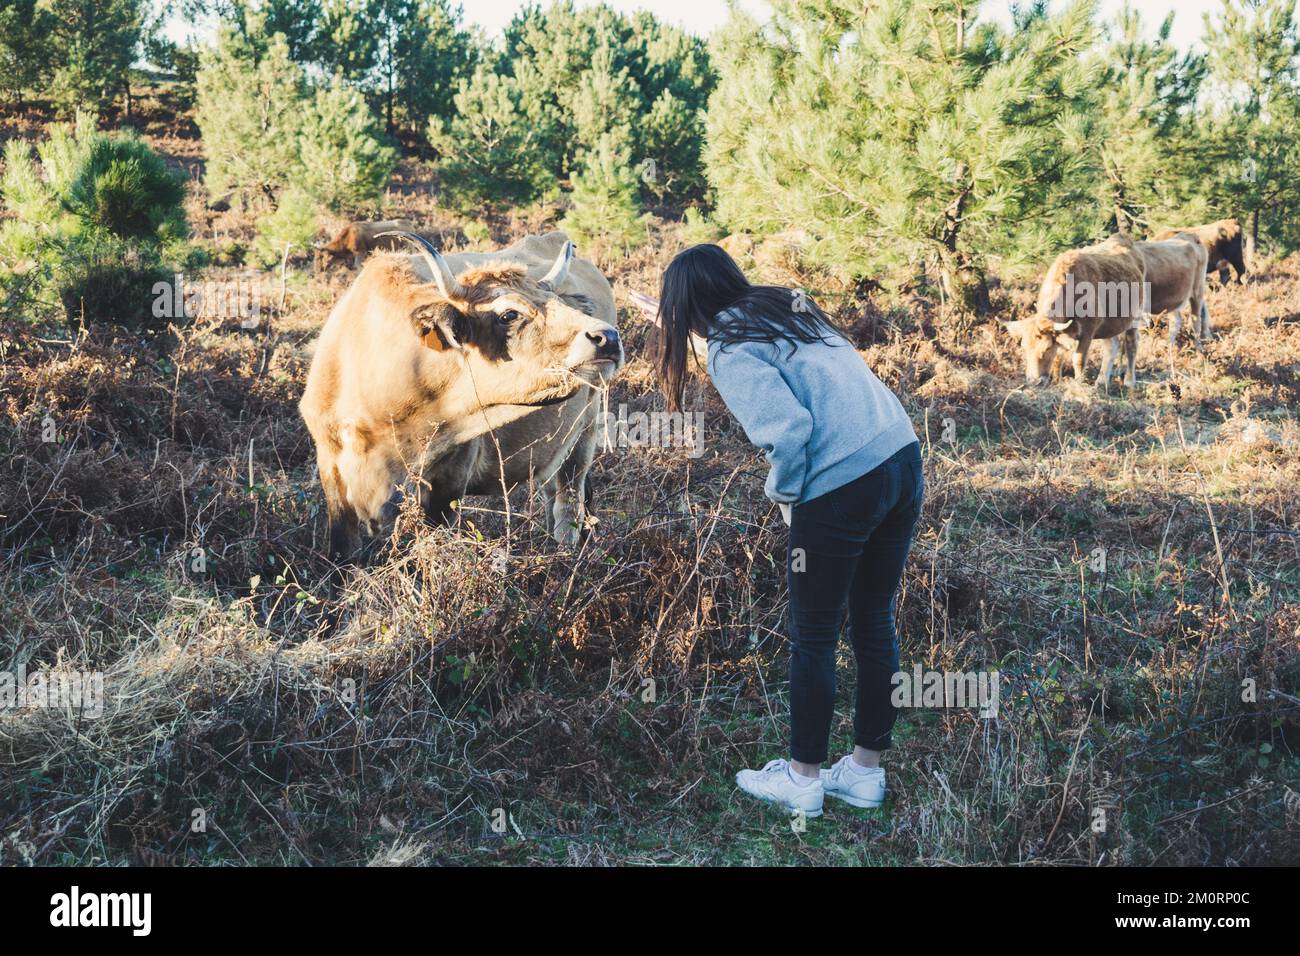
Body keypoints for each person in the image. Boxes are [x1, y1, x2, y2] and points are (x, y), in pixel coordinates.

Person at [639, 244, 923, 818]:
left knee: (812, 637)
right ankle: (865, 774)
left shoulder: (729, 349)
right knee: (873, 619)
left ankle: (803, 780)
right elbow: (787, 365)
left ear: (685, 307)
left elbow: (789, 433)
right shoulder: (785, 309)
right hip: (900, 456)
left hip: (841, 485)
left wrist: (786, 496)